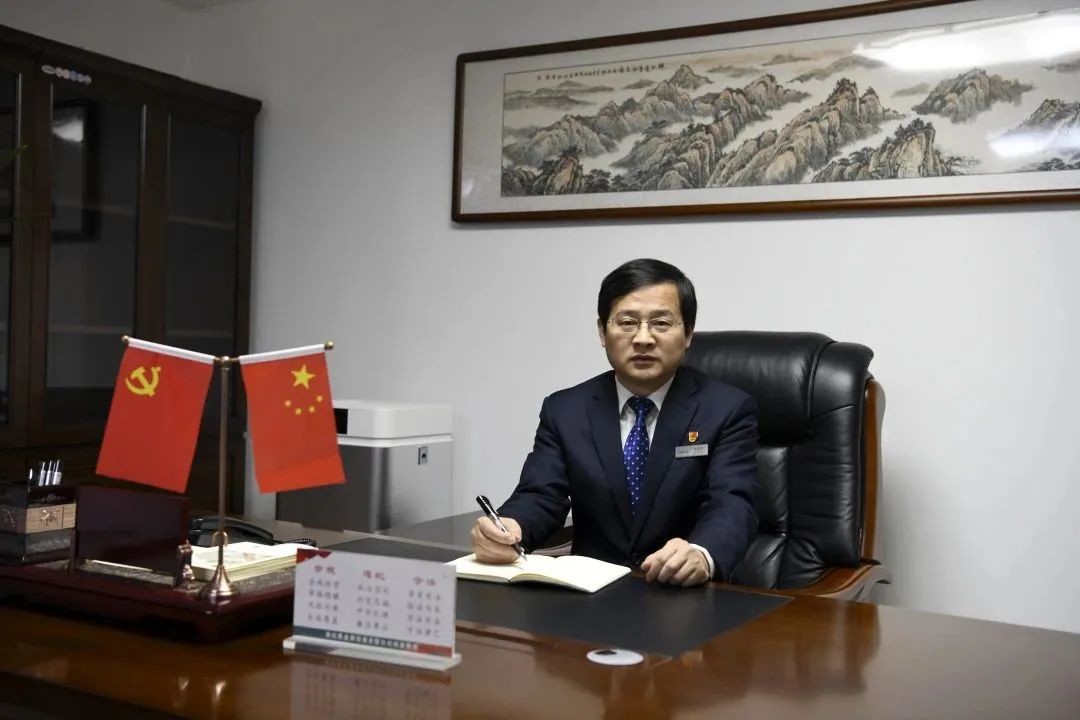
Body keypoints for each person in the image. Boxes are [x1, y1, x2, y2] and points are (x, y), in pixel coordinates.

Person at [470, 258, 759, 587]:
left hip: (684, 592)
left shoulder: (726, 409)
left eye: (661, 323)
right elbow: (540, 495)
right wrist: (510, 528)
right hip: (591, 594)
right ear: (602, 332)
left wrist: (701, 552)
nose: (643, 338)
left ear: (688, 333)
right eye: (627, 322)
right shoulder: (566, 410)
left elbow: (732, 502)